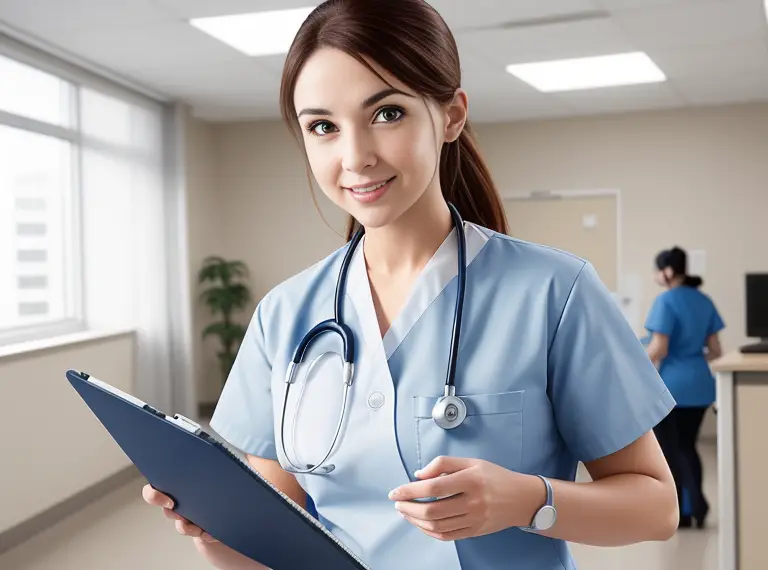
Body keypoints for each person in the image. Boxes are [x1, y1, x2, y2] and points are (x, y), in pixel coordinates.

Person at [143, 1, 678, 568]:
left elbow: (657, 508)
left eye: (387, 113)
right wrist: (210, 528)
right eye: (323, 127)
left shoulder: (554, 292)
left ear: (451, 116)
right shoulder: (286, 314)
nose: (355, 157)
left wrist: (527, 500)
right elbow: (267, 547)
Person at [645, 247, 725, 529]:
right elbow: (716, 350)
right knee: (688, 446)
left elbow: (659, 347)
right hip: (701, 385)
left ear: (667, 272)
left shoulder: (666, 301)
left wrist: (633, 365)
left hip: (673, 388)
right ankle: (696, 506)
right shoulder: (704, 300)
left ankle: (683, 510)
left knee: (670, 451)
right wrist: (691, 354)